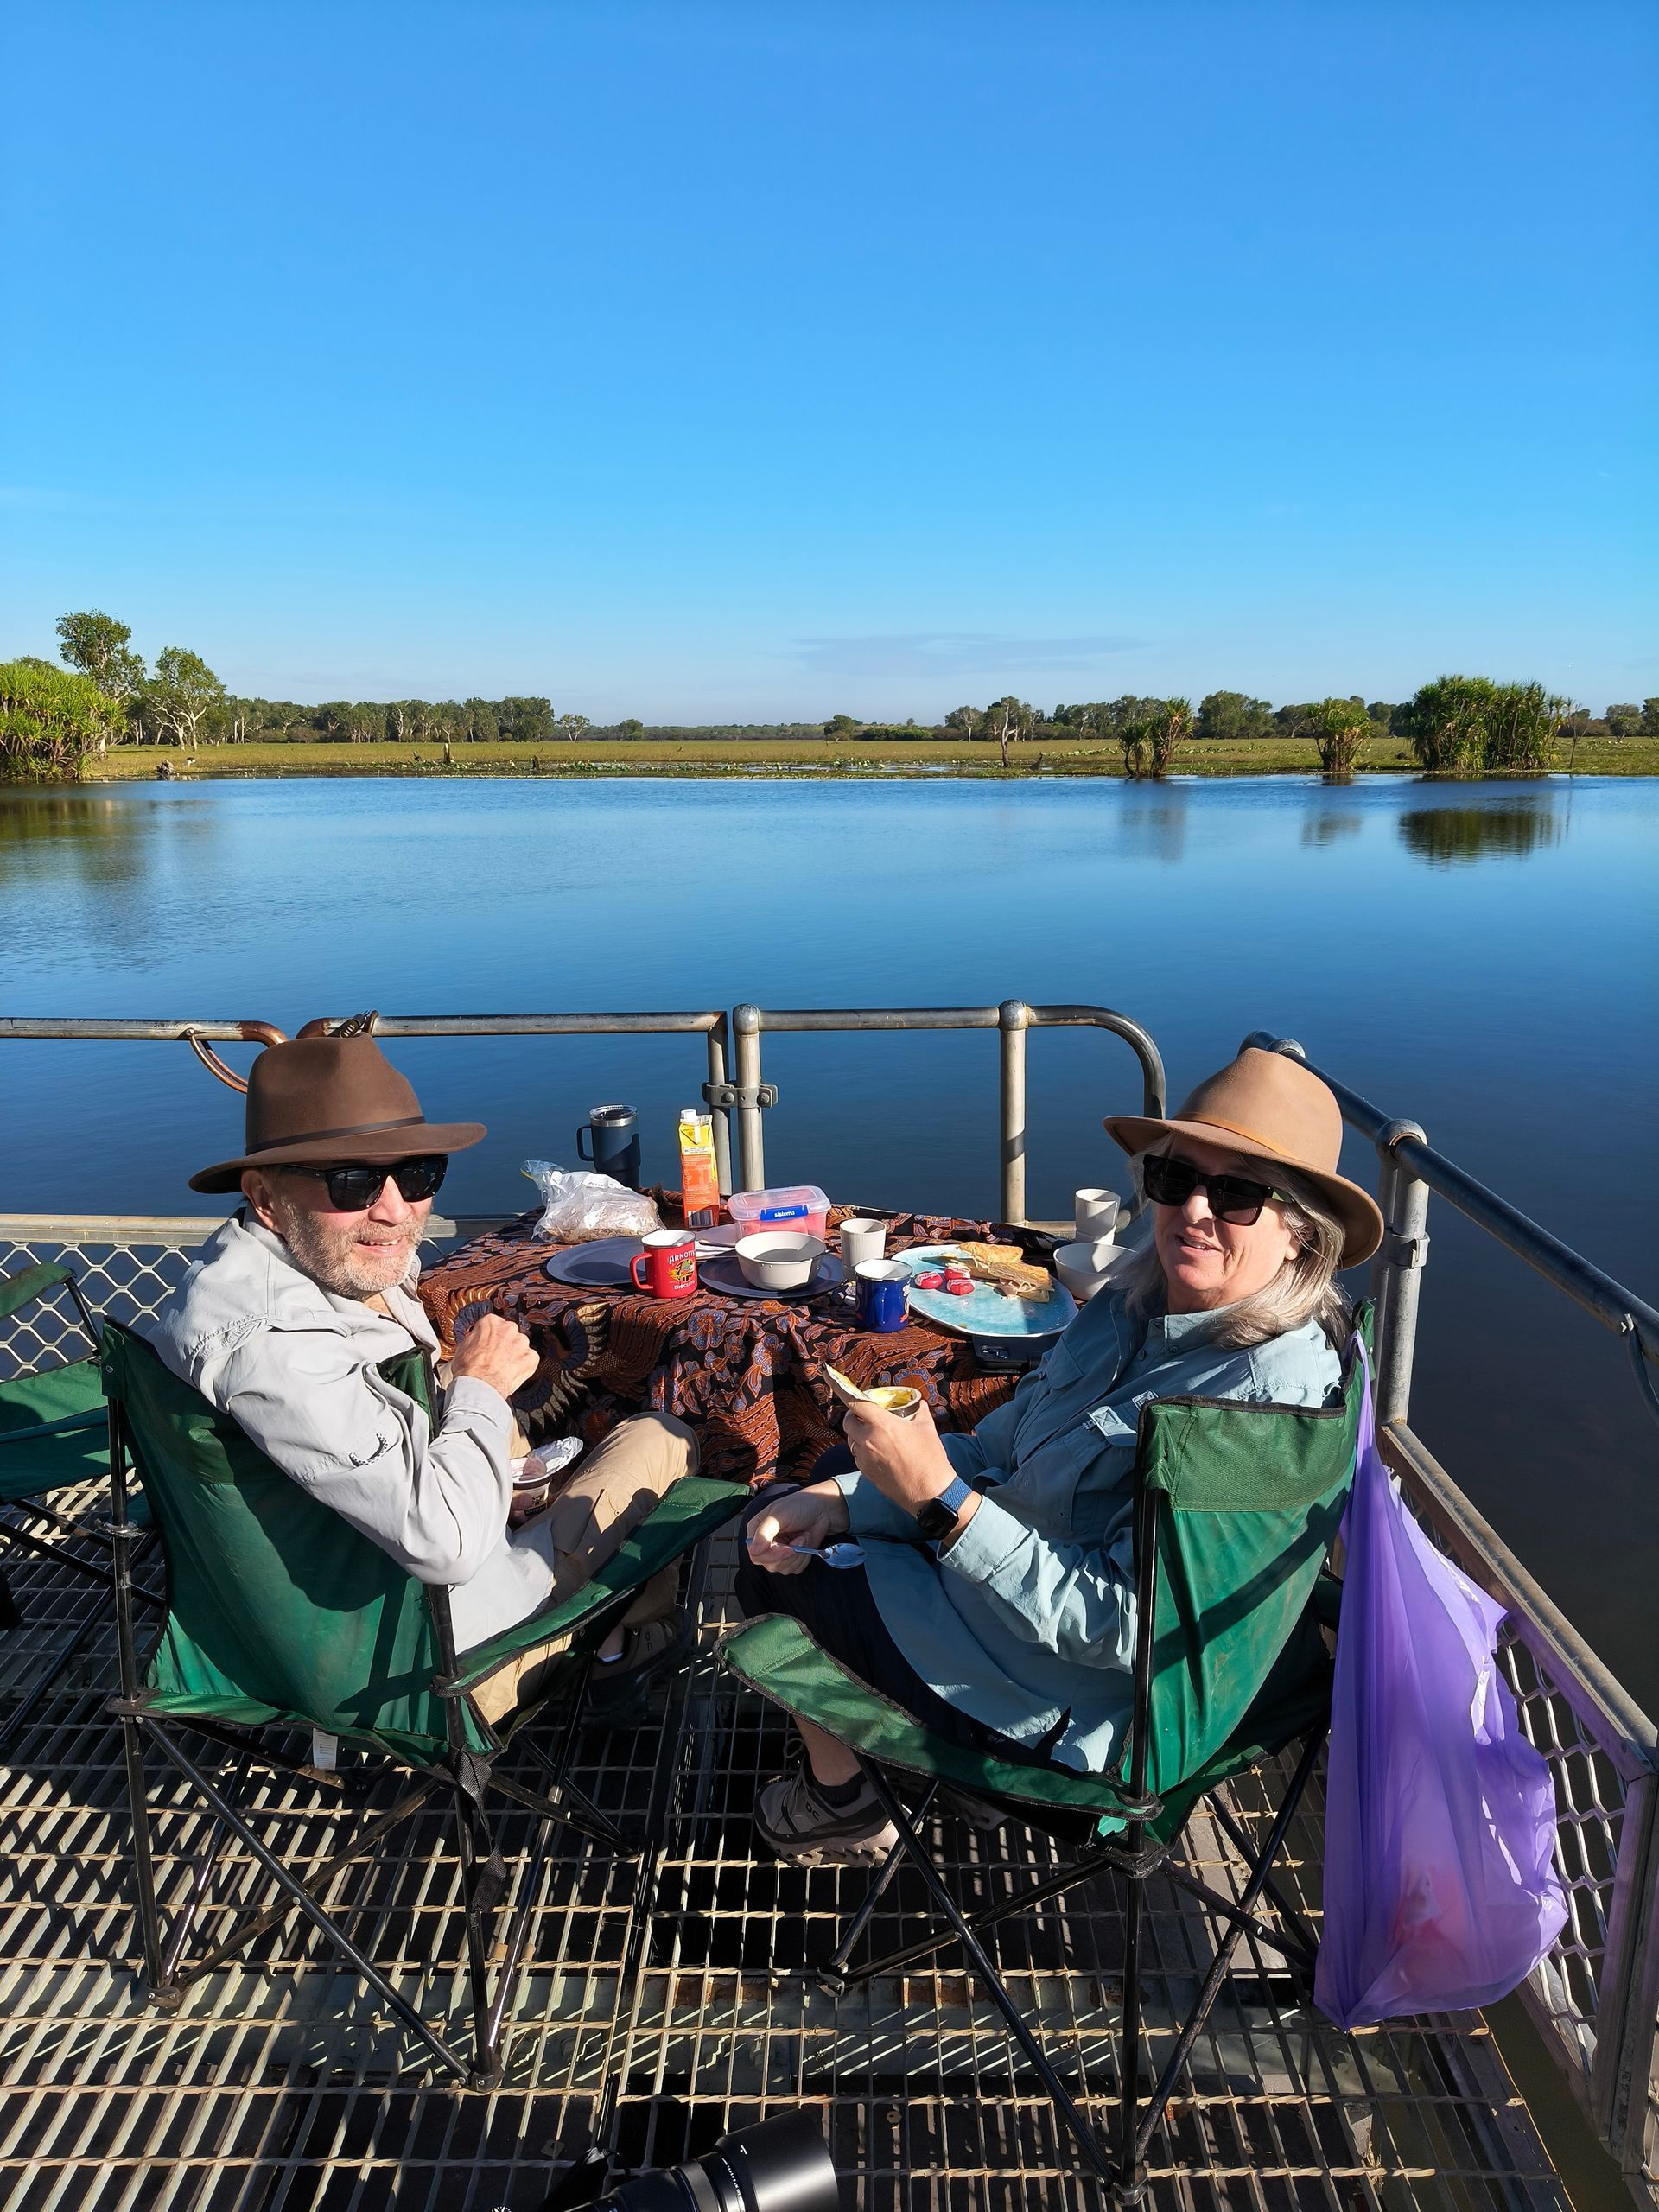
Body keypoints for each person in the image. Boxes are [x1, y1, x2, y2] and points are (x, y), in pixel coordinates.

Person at [737, 1046, 1384, 1864]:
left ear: (1301, 1234)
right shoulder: (1130, 1304)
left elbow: (1134, 1633)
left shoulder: (1255, 1410)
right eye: (1176, 1178)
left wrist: (941, 1505)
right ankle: (968, 1795)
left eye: (1238, 1194)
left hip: (1067, 1714)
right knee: (797, 1506)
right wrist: (844, 1498)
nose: (1193, 1211)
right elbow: (1002, 1447)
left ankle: (843, 1805)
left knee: (762, 1565)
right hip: (1004, 1607)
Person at [144, 1033, 697, 1721]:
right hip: (427, 1673)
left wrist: (490, 1475)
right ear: (263, 1196)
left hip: (336, 1606)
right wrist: (482, 1389)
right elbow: (448, 1546)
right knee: (663, 1437)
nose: (395, 1210)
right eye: (351, 1182)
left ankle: (614, 1636)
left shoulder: (268, 1273)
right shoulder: (275, 1349)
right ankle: (625, 1650)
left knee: (545, 1453)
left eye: (417, 1176)